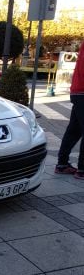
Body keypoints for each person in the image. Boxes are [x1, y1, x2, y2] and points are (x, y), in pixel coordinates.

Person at [55, 40, 84, 180]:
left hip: (78, 92)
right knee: (75, 130)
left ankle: (62, 165)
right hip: (83, 93)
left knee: (74, 130)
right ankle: (82, 169)